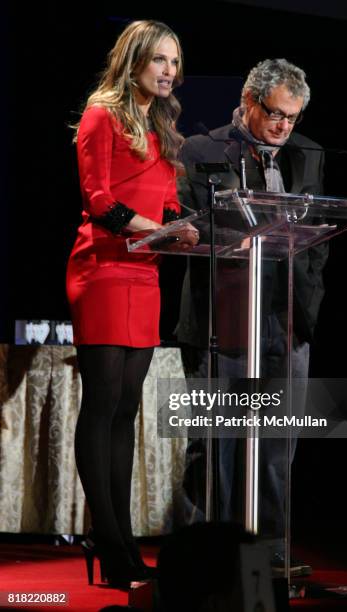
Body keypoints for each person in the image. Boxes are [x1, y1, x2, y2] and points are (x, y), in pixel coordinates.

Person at [176, 58, 328, 574]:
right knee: (214, 447)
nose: (285, 127)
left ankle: (271, 557)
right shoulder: (200, 150)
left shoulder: (309, 154)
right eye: (276, 113)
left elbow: (321, 237)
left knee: (277, 453)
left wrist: (307, 293)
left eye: (294, 117)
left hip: (286, 321)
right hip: (225, 321)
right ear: (247, 101)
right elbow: (193, 227)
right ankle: (201, 564)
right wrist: (245, 244)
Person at [66, 19, 197, 588]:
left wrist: (186, 228)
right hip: (102, 267)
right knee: (103, 404)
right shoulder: (102, 114)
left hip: (145, 273)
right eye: (159, 60)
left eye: (175, 62)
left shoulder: (163, 126)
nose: (169, 71)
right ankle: (110, 541)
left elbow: (165, 204)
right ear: (135, 60)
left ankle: (120, 540)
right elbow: (99, 201)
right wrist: (159, 229)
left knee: (126, 412)